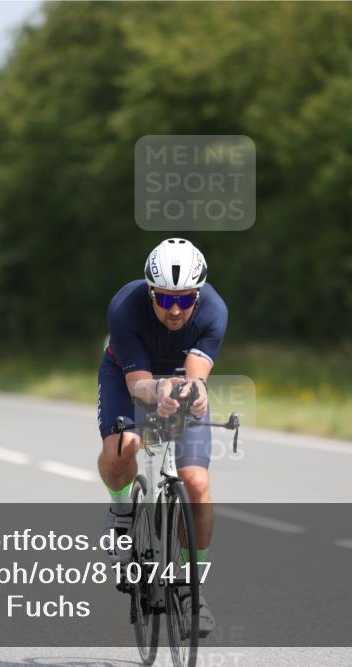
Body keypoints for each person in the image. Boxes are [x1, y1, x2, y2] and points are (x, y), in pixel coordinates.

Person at [97, 237, 227, 637]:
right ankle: (122, 513)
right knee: (126, 445)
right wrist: (160, 392)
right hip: (128, 376)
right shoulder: (125, 306)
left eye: (185, 300)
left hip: (178, 380)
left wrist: (195, 393)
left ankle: (192, 588)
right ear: (150, 291)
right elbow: (138, 385)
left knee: (197, 483)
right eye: (165, 299)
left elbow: (195, 374)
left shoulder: (215, 311)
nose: (174, 310)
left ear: (198, 296)